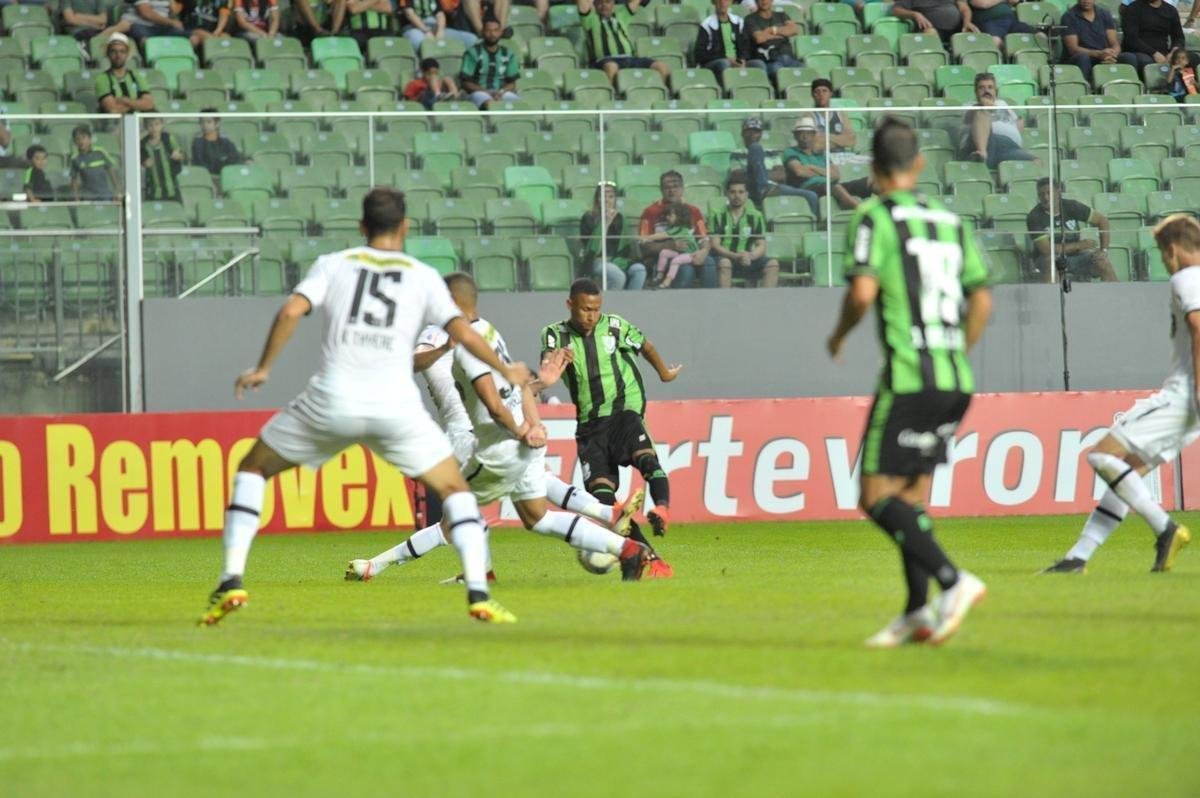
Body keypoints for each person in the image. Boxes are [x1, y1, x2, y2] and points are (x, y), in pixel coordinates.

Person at [198, 188, 534, 627]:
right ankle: (478, 593)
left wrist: (264, 368)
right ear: (405, 227)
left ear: (361, 227)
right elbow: (467, 334)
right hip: (395, 404)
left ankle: (231, 580)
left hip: (332, 396)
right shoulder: (422, 275)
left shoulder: (334, 265)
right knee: (457, 491)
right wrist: (505, 370)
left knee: (252, 469)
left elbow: (289, 312)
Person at [345, 274, 659, 584]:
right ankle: (623, 540)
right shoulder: (488, 331)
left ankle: (378, 566)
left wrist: (522, 428)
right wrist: (533, 416)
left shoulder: (457, 338)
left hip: (483, 438)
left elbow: (489, 400)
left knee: (455, 518)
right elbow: (516, 381)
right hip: (515, 430)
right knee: (536, 515)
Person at [826, 117, 992, 649]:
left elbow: (862, 295)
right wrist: (953, 352)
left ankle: (952, 581)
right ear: (919, 164)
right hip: (954, 379)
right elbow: (982, 301)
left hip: (907, 377)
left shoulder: (873, 216)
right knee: (912, 500)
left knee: (873, 496)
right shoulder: (950, 219)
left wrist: (839, 336)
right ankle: (918, 611)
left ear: (873, 171)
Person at [1042, 215, 1200, 575]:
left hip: (1183, 397)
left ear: (1173, 249)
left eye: (1163, 253)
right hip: (1192, 409)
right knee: (1126, 475)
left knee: (1102, 457)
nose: (1164, 261)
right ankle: (1078, 557)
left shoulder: (1187, 277)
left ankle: (1166, 528)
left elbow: (1196, 325)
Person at [539, 278, 682, 555]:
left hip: (622, 412)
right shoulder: (554, 334)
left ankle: (662, 508)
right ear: (570, 305)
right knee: (601, 495)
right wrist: (552, 363)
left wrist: (665, 374)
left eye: (595, 308)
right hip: (589, 425)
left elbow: (646, 346)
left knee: (647, 458)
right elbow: (546, 365)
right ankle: (645, 553)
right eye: (584, 309)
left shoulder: (615, 326)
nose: (591, 315)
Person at [1026, 177, 1117, 283]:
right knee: (1051, 263)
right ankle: (1052, 297)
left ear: (1058, 192)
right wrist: (1079, 245)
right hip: (1049, 259)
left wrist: (1103, 250)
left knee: (1102, 262)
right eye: (1041, 194)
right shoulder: (1034, 216)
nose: (1046, 197)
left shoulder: (1071, 206)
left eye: (1049, 193)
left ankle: (1117, 297)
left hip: (1077, 256)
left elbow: (1102, 220)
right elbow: (1047, 249)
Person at [638, 170, 716, 288]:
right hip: (662, 258)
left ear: (682, 188)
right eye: (666, 187)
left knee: (709, 262)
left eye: (675, 186)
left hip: (691, 253)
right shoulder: (650, 212)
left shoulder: (694, 211)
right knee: (686, 269)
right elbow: (643, 246)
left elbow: (704, 239)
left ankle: (712, 302)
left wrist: (703, 252)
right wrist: (669, 246)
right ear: (661, 190)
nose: (671, 190)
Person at [576, 0, 671, 85]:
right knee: (611, 67)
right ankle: (611, 97)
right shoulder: (589, 20)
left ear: (613, 3)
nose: (603, 5)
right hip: (606, 60)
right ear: (594, 4)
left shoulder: (621, 15)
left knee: (661, 67)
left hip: (630, 58)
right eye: (599, 2)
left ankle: (661, 94)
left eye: (607, 2)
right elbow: (581, 3)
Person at [710, 173, 778, 288]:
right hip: (724, 258)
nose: (737, 196)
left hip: (747, 259)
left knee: (773, 264)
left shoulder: (756, 216)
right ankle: (724, 302)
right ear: (727, 194)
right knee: (725, 263)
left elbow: (761, 245)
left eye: (741, 192)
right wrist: (735, 256)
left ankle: (766, 302)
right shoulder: (717, 215)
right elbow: (715, 245)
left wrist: (750, 256)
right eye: (733, 192)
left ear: (747, 194)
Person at [738, 116, 819, 212]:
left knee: (811, 196)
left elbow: (781, 175)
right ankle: (763, 188)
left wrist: (759, 173)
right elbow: (737, 177)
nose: (752, 135)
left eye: (756, 131)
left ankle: (814, 224)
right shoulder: (737, 154)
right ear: (742, 134)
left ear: (760, 134)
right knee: (755, 148)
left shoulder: (772, 152)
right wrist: (762, 175)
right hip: (753, 189)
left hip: (774, 188)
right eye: (748, 131)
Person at [783, 116, 860, 213]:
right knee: (835, 187)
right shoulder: (790, 152)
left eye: (808, 133)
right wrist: (826, 173)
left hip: (829, 185)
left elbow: (836, 175)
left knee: (866, 183)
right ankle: (863, 210)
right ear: (795, 136)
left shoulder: (821, 154)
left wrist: (812, 168)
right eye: (801, 133)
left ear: (814, 135)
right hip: (808, 187)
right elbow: (799, 172)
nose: (805, 137)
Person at [960, 72, 1037, 168]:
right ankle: (982, 155)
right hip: (988, 142)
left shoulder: (1003, 103)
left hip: (1010, 146)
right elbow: (970, 116)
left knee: (1036, 162)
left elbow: (1019, 122)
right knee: (982, 112)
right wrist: (985, 106)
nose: (986, 91)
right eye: (981, 88)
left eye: (990, 87)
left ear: (995, 91)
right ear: (976, 92)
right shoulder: (968, 106)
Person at [581, 181, 646, 290]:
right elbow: (591, 249)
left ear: (615, 199)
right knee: (618, 276)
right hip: (596, 261)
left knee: (639, 270)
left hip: (617, 260)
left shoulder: (620, 218)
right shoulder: (588, 217)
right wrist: (606, 222)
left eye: (611, 197)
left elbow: (625, 247)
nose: (607, 200)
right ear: (597, 199)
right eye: (602, 196)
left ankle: (632, 303)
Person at [1062, 0, 1138, 81]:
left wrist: (1112, 54)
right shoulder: (1069, 16)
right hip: (1084, 56)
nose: (1086, 1)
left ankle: (1130, 87)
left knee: (1129, 57)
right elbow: (1073, 49)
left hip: (1104, 55)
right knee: (1083, 58)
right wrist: (1098, 54)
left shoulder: (1104, 14)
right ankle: (1086, 89)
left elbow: (1115, 43)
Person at [694, 0, 765, 79]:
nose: (722, 3)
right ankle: (729, 89)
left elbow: (746, 46)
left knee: (759, 64)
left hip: (737, 61)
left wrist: (743, 59)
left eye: (726, 0)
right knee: (724, 63)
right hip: (717, 62)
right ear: (714, 2)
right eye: (719, 0)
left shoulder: (738, 22)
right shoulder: (706, 25)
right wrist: (727, 59)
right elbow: (699, 54)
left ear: (731, 2)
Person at [460, 16, 520, 109]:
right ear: (483, 32)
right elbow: (465, 82)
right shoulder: (473, 52)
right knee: (491, 104)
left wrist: (501, 92)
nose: (492, 34)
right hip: (478, 93)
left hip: (500, 92)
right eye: (488, 30)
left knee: (519, 105)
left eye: (496, 30)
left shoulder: (508, 53)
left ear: (500, 32)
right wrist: (486, 92)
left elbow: (512, 83)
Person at [1122, 0, 1194, 73]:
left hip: (1164, 52)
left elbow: (1179, 37)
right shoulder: (1134, 8)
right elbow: (1131, 38)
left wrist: (1174, 51)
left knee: (1193, 58)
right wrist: (1154, 53)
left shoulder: (1171, 10)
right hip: (1140, 51)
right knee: (1145, 61)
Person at [95, 33, 155, 115]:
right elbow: (112, 109)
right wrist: (138, 104)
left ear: (127, 54)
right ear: (108, 54)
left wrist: (125, 101)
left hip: (138, 125)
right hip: (114, 126)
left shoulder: (136, 76)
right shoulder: (102, 78)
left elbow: (149, 104)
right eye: (114, 51)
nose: (118, 55)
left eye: (122, 51)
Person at [741, 0, 800, 78]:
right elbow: (760, 38)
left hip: (789, 58)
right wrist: (781, 32)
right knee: (781, 74)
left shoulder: (782, 15)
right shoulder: (750, 19)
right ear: (756, 1)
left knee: (806, 72)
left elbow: (794, 30)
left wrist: (770, 31)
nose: (764, 1)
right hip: (769, 61)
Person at [399, 0, 478, 50]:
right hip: (414, 28)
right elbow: (410, 14)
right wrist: (426, 31)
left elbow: (440, 14)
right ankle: (423, 71)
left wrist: (440, 32)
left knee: (471, 39)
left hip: (435, 27)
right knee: (420, 43)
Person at [809, 78, 857, 158]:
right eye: (817, 91)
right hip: (818, 158)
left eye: (824, 91)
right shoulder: (808, 115)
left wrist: (824, 137)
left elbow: (851, 141)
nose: (821, 94)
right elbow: (814, 145)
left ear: (830, 93)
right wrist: (839, 139)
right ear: (812, 95)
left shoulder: (840, 114)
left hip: (840, 157)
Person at [141, 117, 185, 202]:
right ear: (146, 127)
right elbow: (140, 160)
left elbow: (181, 154)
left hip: (171, 186)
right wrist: (144, 162)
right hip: (153, 187)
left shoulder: (168, 138)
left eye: (157, 124)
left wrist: (179, 155)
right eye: (150, 125)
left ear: (162, 125)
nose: (154, 128)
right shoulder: (143, 143)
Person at [70, 125, 119, 201]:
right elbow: (74, 181)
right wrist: (77, 199)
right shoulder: (75, 158)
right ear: (75, 142)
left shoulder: (100, 152)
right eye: (78, 139)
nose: (81, 141)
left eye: (84, 137)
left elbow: (111, 172)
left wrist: (117, 192)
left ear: (90, 139)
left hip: (105, 195)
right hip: (88, 197)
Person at [891, 0, 977, 43]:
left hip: (958, 27)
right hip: (930, 28)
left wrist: (967, 22)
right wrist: (915, 14)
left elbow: (964, 8)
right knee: (930, 33)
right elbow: (896, 10)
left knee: (972, 34)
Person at [191, 109, 243, 175]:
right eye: (202, 122)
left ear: (217, 123)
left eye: (208, 122)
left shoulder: (226, 142)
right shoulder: (197, 143)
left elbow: (234, 158)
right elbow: (200, 165)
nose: (204, 125)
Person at [967, 0, 1034, 50]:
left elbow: (1014, 1)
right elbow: (982, 3)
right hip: (990, 20)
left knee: (1039, 37)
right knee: (995, 41)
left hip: (1011, 19)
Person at [124, 0, 190, 41]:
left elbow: (174, 12)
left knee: (194, 36)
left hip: (164, 27)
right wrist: (171, 22)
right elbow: (145, 13)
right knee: (148, 41)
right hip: (143, 26)